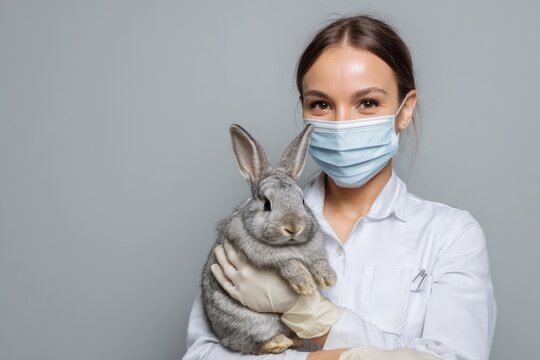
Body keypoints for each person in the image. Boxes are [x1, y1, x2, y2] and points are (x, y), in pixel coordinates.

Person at [181, 14, 497, 360]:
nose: (342, 123)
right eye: (321, 104)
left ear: (404, 111)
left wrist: (312, 316)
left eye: (367, 103)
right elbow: (203, 355)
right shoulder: (250, 225)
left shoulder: (450, 235)